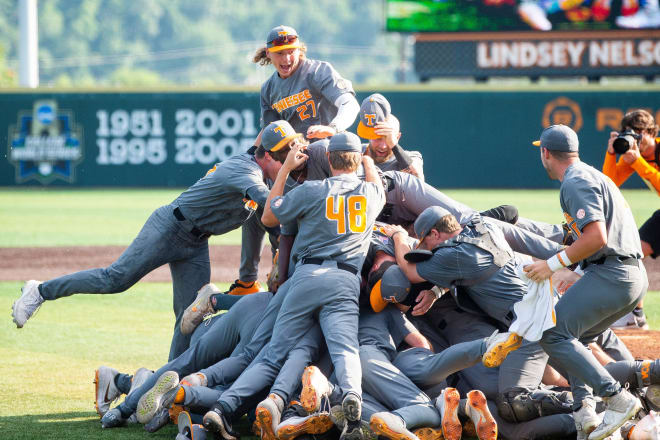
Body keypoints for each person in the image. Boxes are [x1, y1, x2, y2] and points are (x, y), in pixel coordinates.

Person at [11, 141, 284, 361]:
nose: (286, 166)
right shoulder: (244, 170)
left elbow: (271, 223)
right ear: (268, 156)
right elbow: (268, 203)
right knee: (114, 279)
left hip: (197, 242)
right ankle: (41, 291)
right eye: (283, 158)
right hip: (170, 227)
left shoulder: (262, 176)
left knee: (189, 315)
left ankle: (167, 383)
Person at [201, 132, 385, 440]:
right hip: (345, 281)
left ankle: (223, 408)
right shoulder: (371, 193)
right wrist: (366, 159)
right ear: (357, 159)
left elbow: (270, 216)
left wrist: (285, 168)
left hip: (308, 276)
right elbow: (374, 179)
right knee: (345, 350)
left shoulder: (312, 190)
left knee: (274, 355)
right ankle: (351, 394)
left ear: (328, 159)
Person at [524, 124, 648, 440]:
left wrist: (552, 265)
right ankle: (585, 413)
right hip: (629, 275)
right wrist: (574, 268)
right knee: (575, 339)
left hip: (613, 274)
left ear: (545, 153)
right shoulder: (594, 175)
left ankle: (617, 398)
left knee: (551, 333)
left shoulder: (574, 181)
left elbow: (597, 237)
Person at [231, 26, 360, 295]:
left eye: (291, 51)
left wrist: (333, 128)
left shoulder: (317, 71)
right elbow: (269, 136)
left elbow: (350, 104)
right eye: (280, 53)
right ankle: (248, 281)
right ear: (270, 54)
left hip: (328, 161)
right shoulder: (269, 89)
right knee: (256, 203)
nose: (286, 58)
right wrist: (248, 160)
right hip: (295, 161)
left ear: (300, 50)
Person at [602, 109, 659, 330]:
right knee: (634, 250)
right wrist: (611, 154)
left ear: (651, 132)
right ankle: (636, 315)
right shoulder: (635, 155)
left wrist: (639, 163)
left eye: (639, 133)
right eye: (630, 133)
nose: (635, 138)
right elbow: (609, 183)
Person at [356, 93, 424, 180]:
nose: (383, 146)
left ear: (397, 137)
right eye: (378, 138)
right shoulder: (355, 153)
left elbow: (418, 181)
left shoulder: (411, 156)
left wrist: (394, 145)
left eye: (388, 139)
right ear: (369, 136)